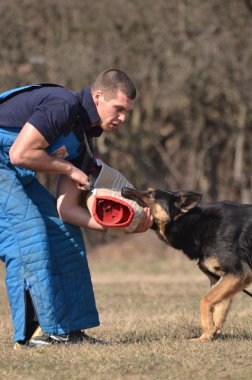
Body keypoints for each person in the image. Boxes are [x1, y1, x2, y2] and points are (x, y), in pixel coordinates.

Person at [0, 69, 153, 348]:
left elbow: (66, 209)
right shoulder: (63, 105)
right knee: (29, 233)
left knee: (64, 234)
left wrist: (115, 228)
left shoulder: (84, 142)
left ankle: (67, 331)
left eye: (127, 112)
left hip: (11, 172)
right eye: (118, 109)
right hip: (8, 164)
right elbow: (20, 153)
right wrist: (69, 169)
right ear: (98, 97)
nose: (123, 118)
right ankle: (35, 334)